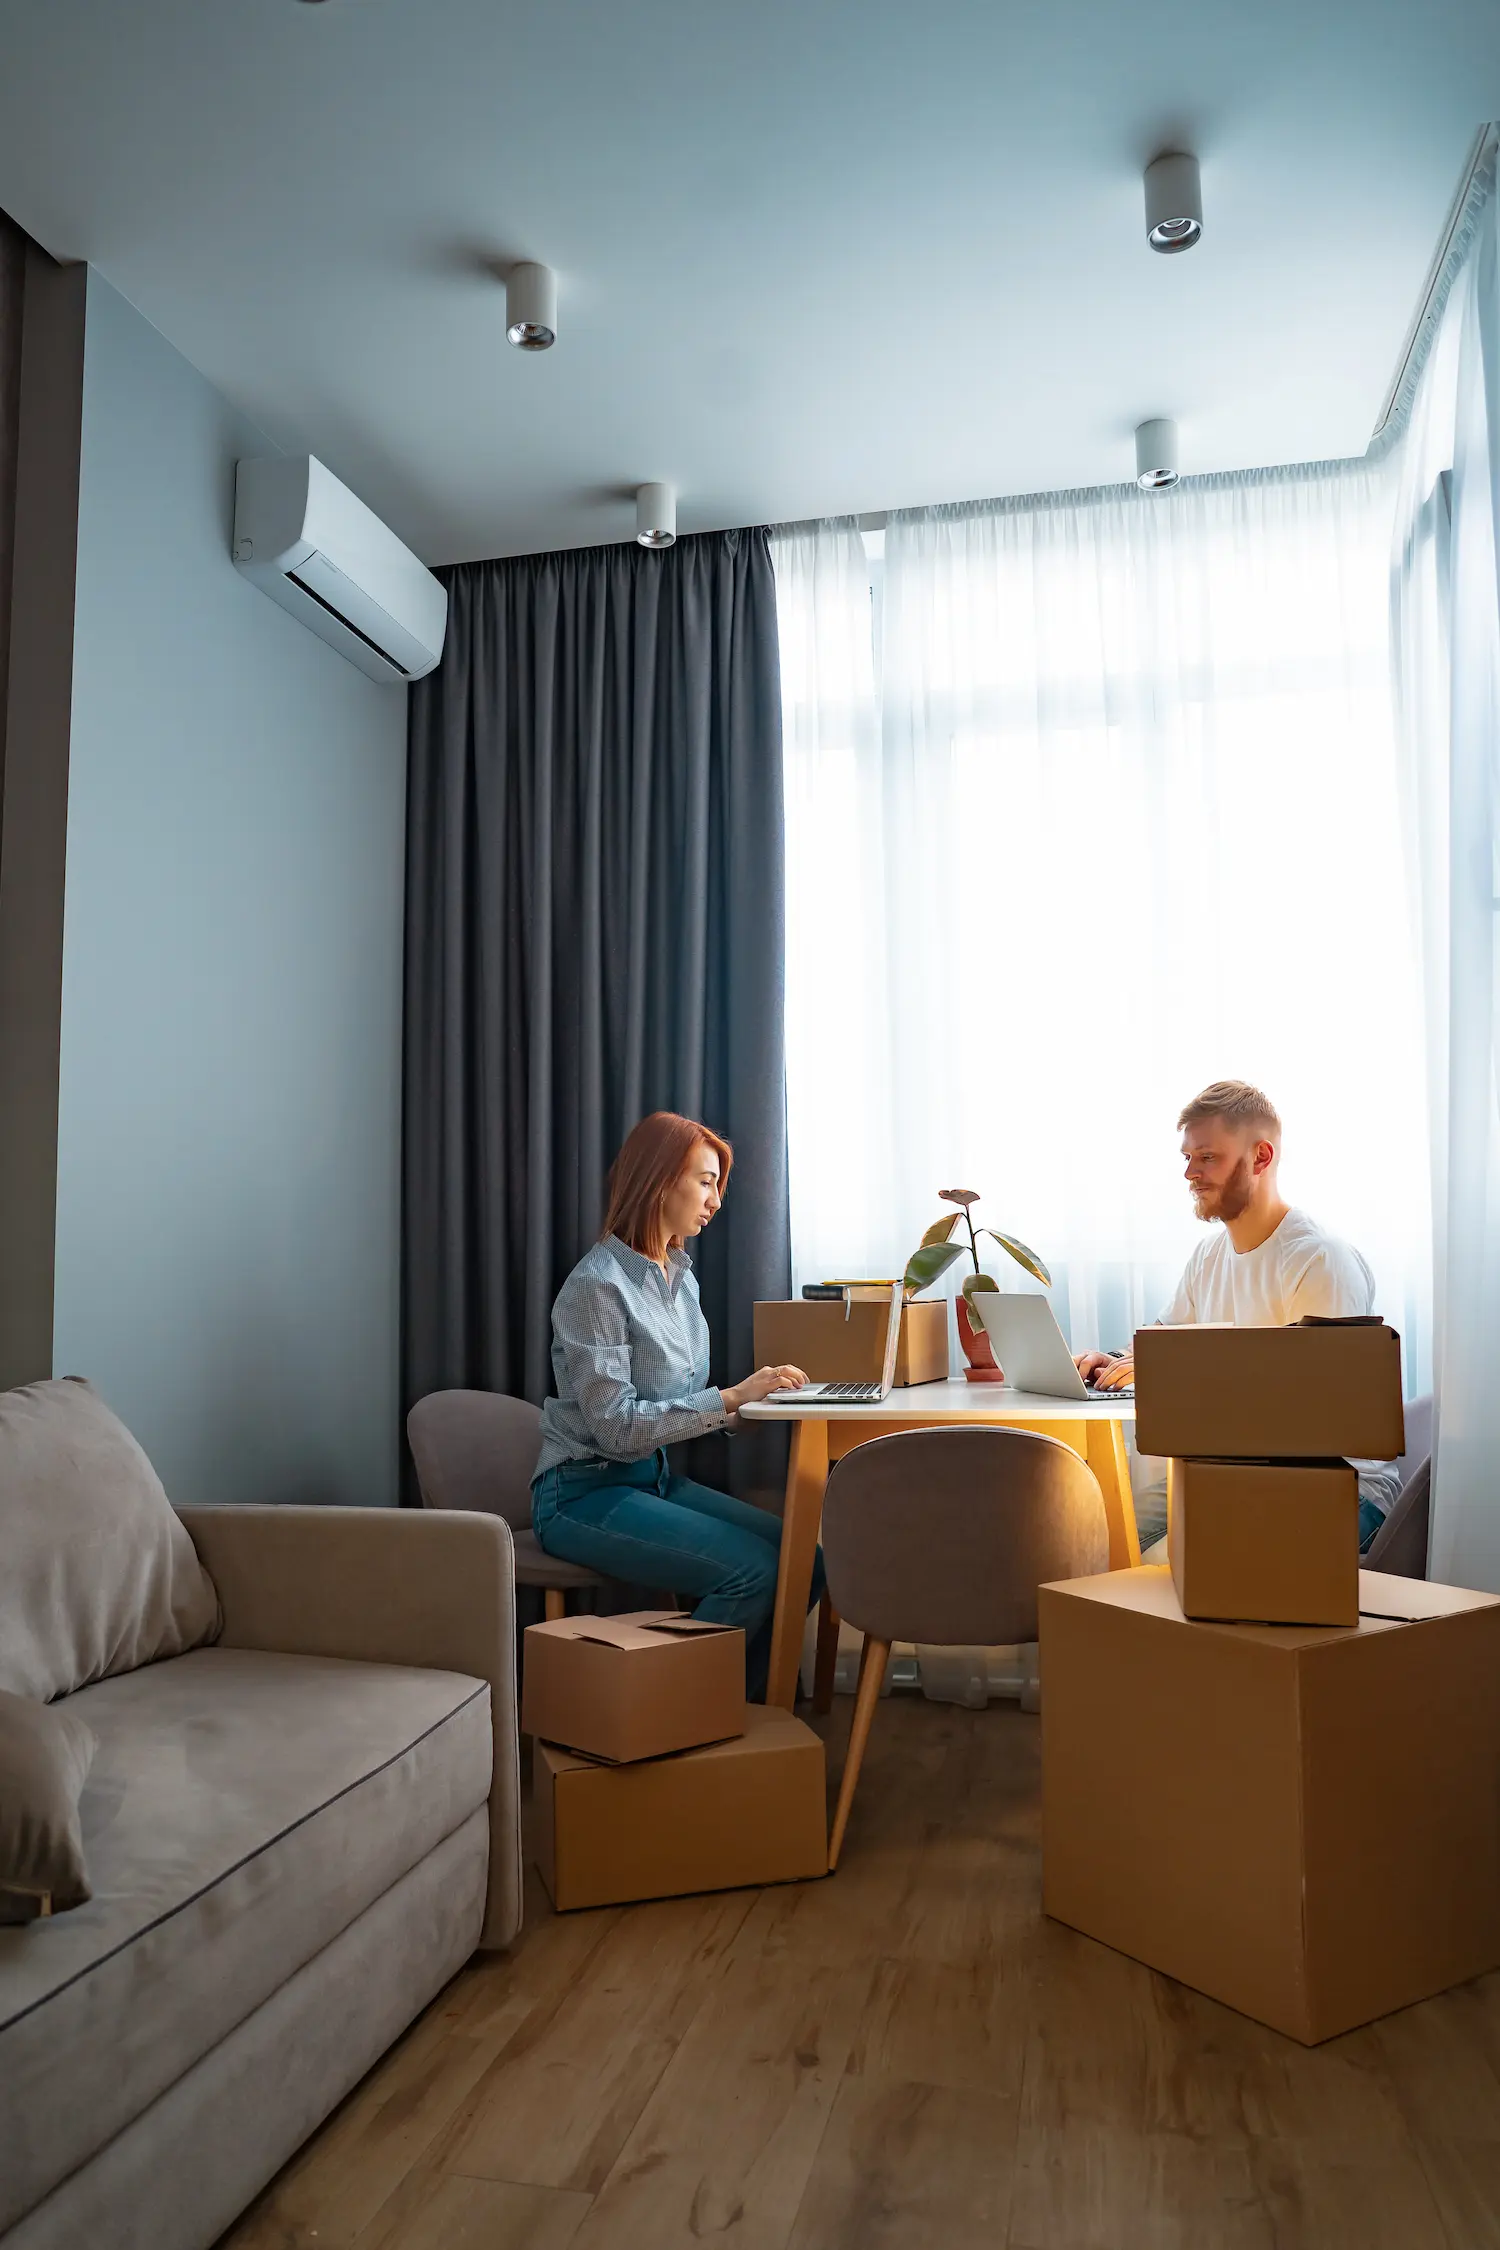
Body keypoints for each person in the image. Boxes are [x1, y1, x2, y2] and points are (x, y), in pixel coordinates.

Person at [531, 1110, 825, 1699]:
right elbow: (614, 1429)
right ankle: (674, 1713)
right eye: (705, 1180)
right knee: (755, 1572)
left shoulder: (680, 1280)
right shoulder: (600, 1285)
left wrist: (754, 1404)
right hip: (583, 1494)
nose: (716, 1199)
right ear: (660, 1180)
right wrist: (731, 1397)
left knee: (805, 1563)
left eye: (718, 1184)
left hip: (650, 1481)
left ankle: (746, 1715)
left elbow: (682, 1402)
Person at [1075, 1080, 1401, 1552]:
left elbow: (1325, 1415)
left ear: (1262, 1157)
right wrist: (1113, 1363)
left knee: (1199, 1555)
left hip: (1340, 1485)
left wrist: (1178, 1376)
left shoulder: (1318, 1259)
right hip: (1230, 1469)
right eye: (1187, 1158)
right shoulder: (1208, 1256)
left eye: (1207, 1157)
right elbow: (1162, 1344)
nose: (1190, 1173)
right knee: (1105, 1532)